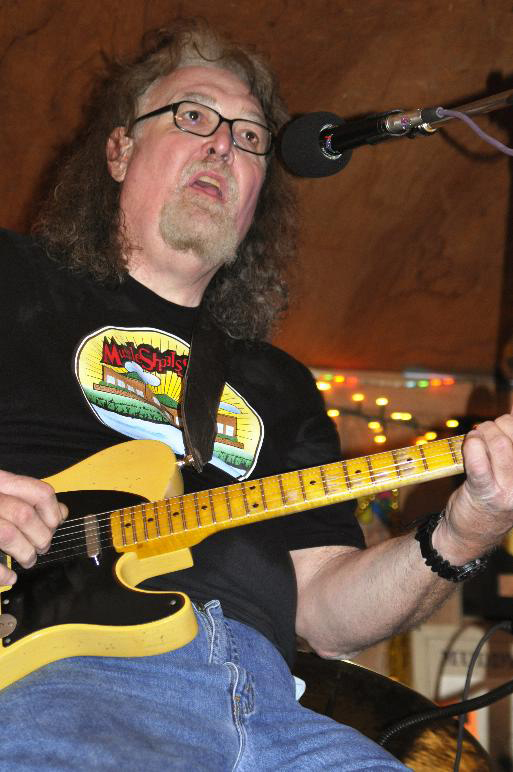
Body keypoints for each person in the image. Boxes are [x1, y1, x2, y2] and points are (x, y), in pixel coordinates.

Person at [0, 18, 511, 771]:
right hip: (67, 683)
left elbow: (329, 611)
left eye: (249, 137)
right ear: (119, 150)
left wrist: (468, 529)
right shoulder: (15, 279)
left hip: (274, 710)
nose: (224, 146)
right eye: (193, 116)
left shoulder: (280, 384)